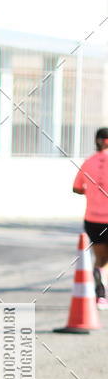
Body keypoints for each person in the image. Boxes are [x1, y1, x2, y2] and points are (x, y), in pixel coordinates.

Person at [72, 127, 108, 309]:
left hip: (93, 220)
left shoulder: (88, 162)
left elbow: (76, 188)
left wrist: (93, 193)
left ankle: (100, 295)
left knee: (100, 258)